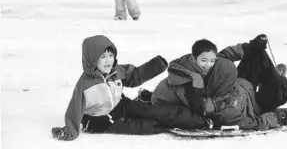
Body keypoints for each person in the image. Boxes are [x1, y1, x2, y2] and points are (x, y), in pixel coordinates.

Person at [51, 35, 209, 141]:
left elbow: (134, 76)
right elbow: (74, 110)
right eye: (103, 57)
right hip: (105, 121)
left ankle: (200, 121)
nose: (108, 61)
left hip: (122, 105)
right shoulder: (85, 86)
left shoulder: (115, 71)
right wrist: (69, 131)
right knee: (150, 125)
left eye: (111, 56)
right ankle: (184, 123)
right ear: (91, 60)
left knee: (156, 111)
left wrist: (155, 66)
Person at [150, 34, 287, 131]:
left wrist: (250, 47)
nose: (209, 64)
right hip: (253, 105)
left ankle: (272, 76)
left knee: (254, 54)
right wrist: (278, 117)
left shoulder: (208, 69)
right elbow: (253, 123)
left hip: (242, 89)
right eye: (204, 61)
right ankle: (283, 92)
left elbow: (225, 56)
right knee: (277, 89)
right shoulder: (195, 87)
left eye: (212, 62)